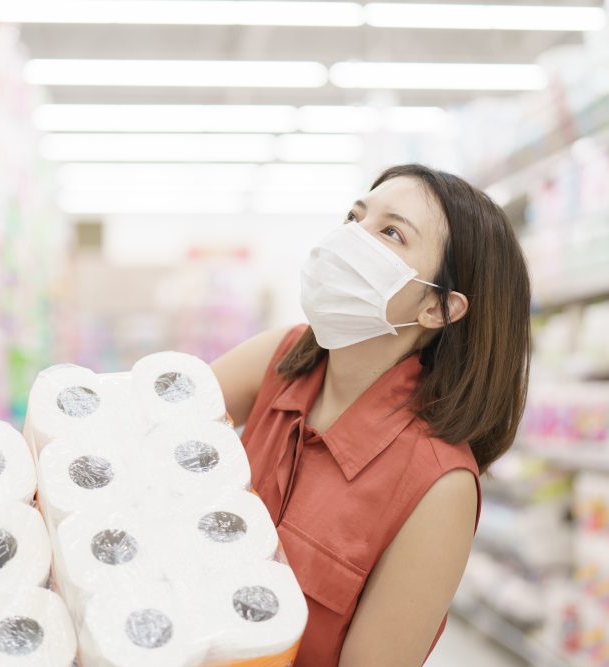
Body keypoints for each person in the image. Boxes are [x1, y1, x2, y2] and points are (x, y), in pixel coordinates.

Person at [211, 163, 531, 666]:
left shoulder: (438, 485)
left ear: (439, 309)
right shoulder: (282, 358)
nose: (350, 239)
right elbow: (152, 425)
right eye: (354, 217)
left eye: (391, 232)